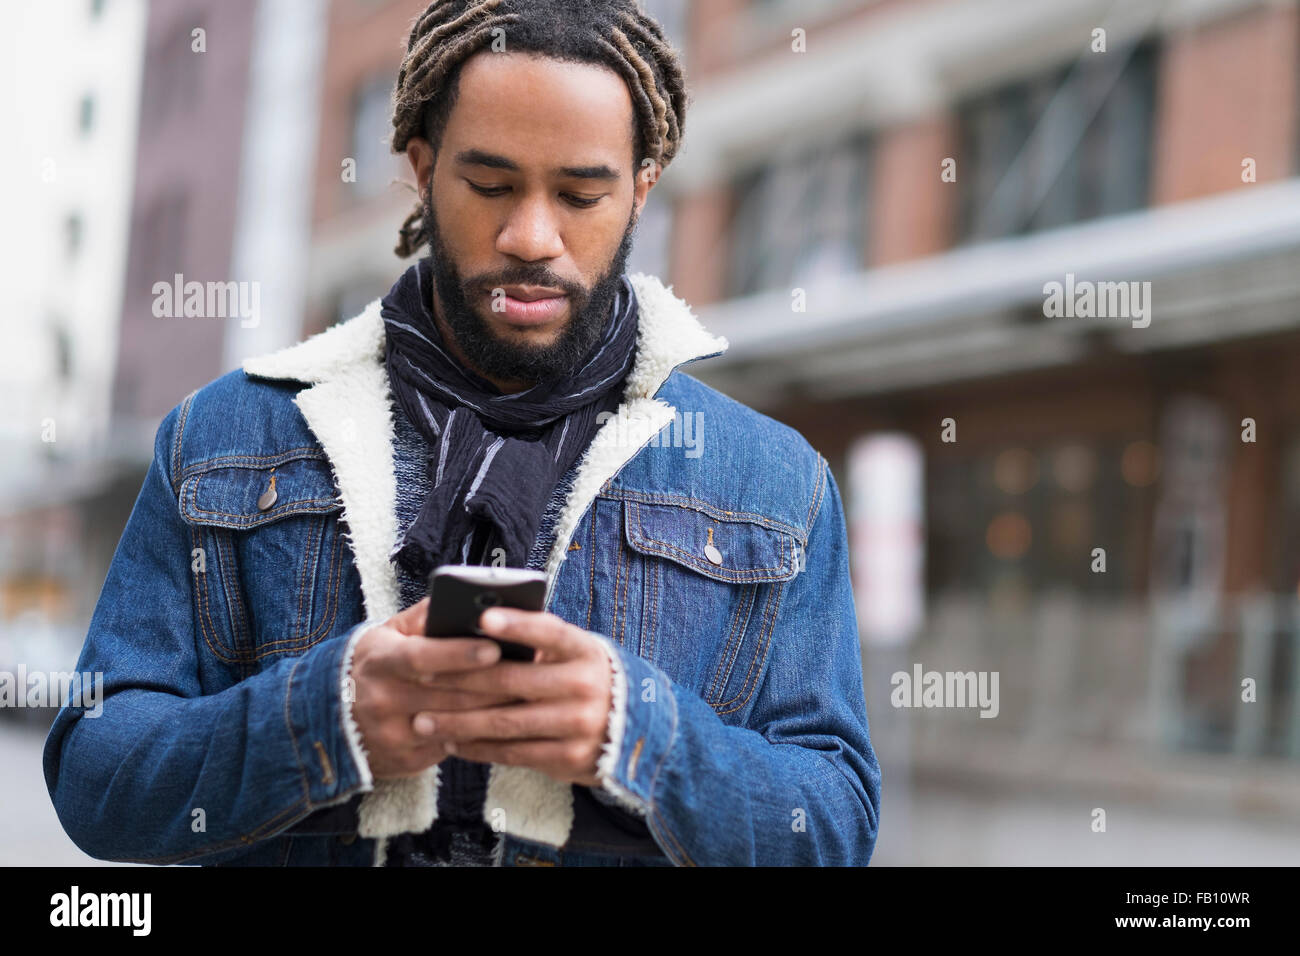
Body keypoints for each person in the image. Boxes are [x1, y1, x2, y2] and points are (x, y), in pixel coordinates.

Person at [43, 0, 882, 866]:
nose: (531, 236)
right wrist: (319, 719)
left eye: (581, 194)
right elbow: (96, 781)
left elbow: (831, 826)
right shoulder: (220, 435)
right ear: (420, 166)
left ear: (643, 187)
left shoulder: (777, 484)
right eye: (489, 185)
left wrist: (641, 735)